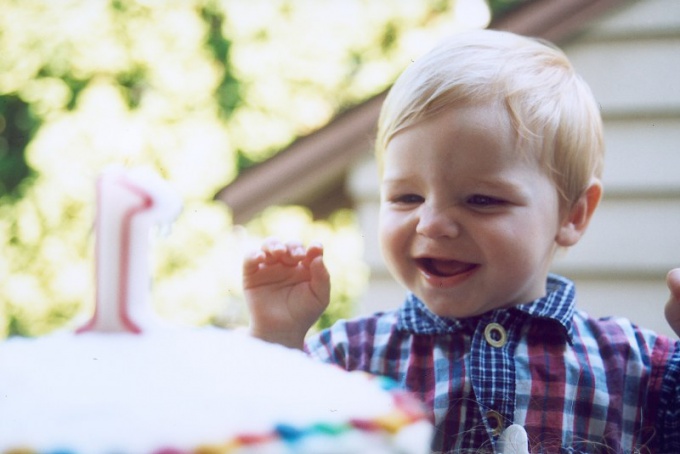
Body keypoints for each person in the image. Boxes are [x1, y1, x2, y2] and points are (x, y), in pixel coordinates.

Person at [243, 30, 680, 453]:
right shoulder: (343, 360)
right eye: (406, 197)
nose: (431, 224)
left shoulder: (637, 370)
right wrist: (277, 338)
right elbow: (256, 433)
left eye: (481, 200)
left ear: (573, 214)